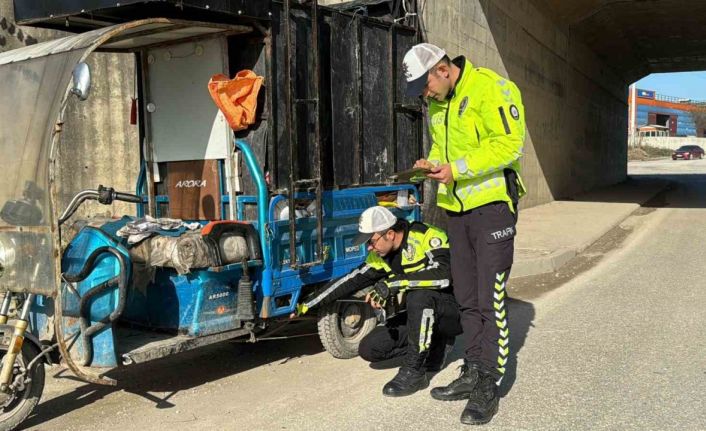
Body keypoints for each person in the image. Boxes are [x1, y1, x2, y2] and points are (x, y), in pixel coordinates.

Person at [402, 43, 526, 425]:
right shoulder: (439, 103)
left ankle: (490, 382)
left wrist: (458, 168)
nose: (425, 95)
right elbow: (443, 146)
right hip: (456, 211)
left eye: (425, 86)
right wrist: (433, 163)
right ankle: (472, 368)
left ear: (442, 69)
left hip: (491, 209)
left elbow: (509, 144)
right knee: (467, 298)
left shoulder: (492, 88)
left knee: (491, 300)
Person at [293, 206, 461, 397]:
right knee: (370, 349)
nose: (369, 248)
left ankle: (414, 370)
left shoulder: (427, 236)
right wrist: (307, 304)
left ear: (389, 234)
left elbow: (445, 275)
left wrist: (393, 283)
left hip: (453, 312)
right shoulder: (380, 255)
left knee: (419, 295)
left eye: (371, 242)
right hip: (420, 314)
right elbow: (350, 281)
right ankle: (432, 346)